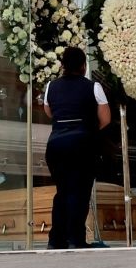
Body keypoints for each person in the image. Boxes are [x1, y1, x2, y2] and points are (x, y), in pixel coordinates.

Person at [44, 46, 112, 249]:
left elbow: (49, 112)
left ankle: (56, 240)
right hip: (82, 144)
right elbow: (105, 119)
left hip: (55, 145)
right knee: (79, 192)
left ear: (63, 65)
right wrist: (87, 129)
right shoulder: (93, 87)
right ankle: (75, 238)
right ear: (83, 66)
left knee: (62, 192)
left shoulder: (51, 86)